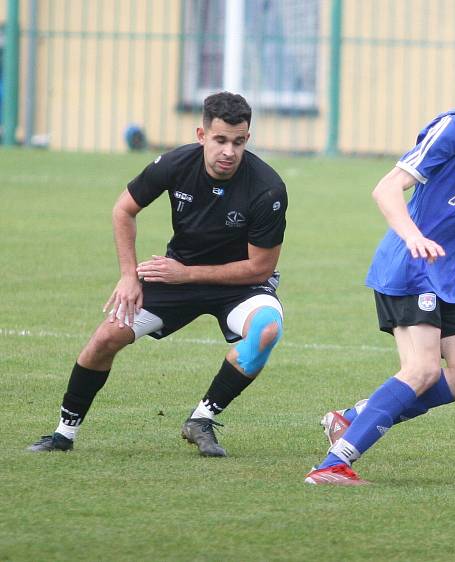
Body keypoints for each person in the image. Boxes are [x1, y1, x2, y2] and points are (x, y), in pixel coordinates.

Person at [304, 34, 455, 485]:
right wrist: (414, 238)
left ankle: (353, 416)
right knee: (421, 369)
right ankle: (333, 463)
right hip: (410, 266)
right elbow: (387, 188)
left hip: (446, 274)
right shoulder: (454, 127)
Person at [28, 92, 288, 457]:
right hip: (175, 276)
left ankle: (202, 418)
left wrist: (188, 275)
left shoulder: (267, 188)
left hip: (240, 285)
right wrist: (128, 277)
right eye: (220, 140)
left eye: (239, 141)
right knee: (106, 337)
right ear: (201, 135)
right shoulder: (176, 164)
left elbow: (260, 267)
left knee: (267, 329)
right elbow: (123, 210)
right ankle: (62, 435)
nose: (229, 151)